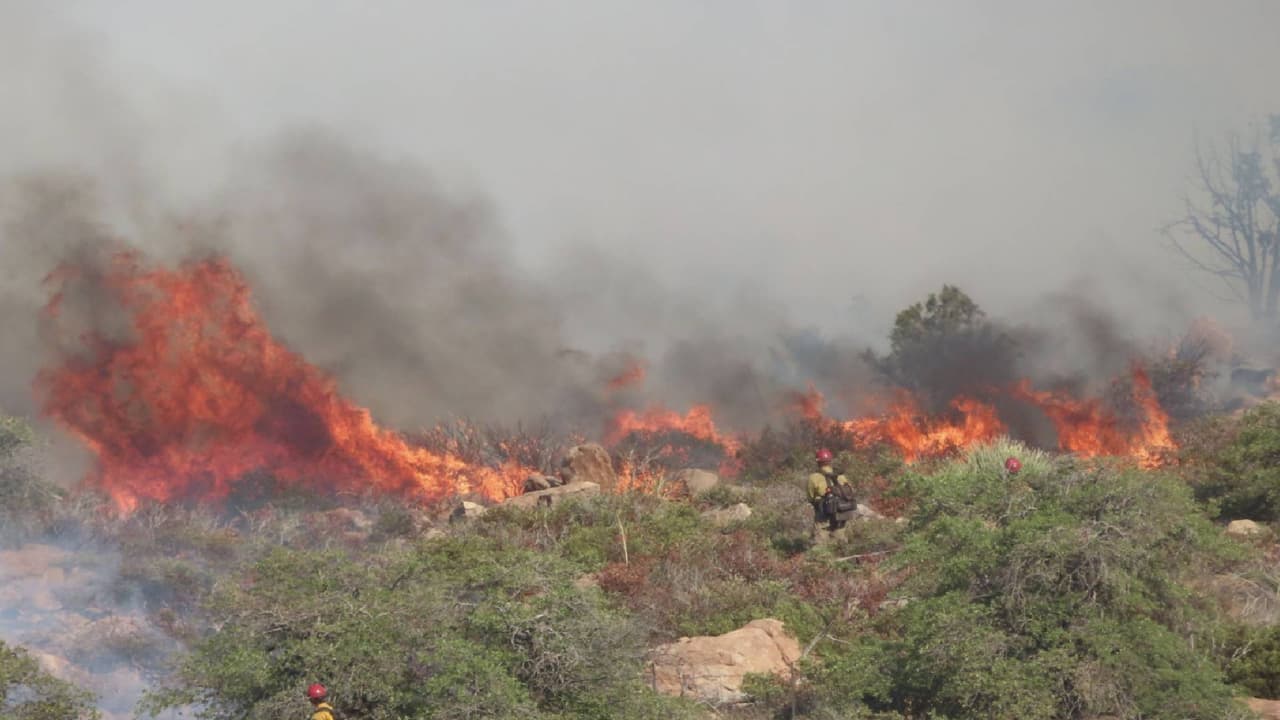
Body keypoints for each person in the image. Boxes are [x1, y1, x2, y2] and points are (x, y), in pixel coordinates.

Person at [807, 448, 854, 542]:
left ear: (818, 462)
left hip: (823, 514)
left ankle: (824, 556)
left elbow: (810, 497)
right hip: (841, 512)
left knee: (820, 542)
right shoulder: (841, 476)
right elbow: (850, 491)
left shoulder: (813, 478)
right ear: (830, 461)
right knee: (840, 540)